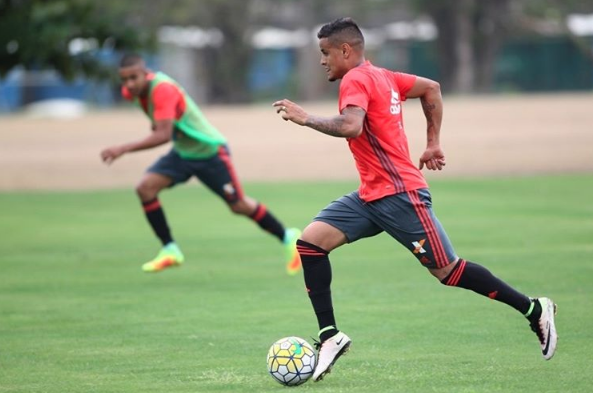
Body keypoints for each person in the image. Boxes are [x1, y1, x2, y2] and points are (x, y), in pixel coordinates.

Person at [273, 17, 557, 382]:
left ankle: (534, 309)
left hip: (400, 195)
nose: (323, 60)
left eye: (326, 53)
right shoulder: (384, 76)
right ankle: (330, 336)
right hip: (370, 195)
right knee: (311, 244)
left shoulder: (356, 79)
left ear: (346, 50)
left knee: (448, 271)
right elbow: (432, 88)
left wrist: (304, 117)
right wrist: (433, 142)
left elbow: (351, 126)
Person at [101, 54, 301, 274]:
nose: (129, 84)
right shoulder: (131, 93)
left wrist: (122, 148)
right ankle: (170, 250)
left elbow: (163, 135)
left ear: (145, 73)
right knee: (145, 188)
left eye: (133, 78)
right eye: (124, 79)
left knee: (239, 205)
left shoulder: (162, 89)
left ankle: (288, 237)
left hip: (210, 152)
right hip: (183, 153)